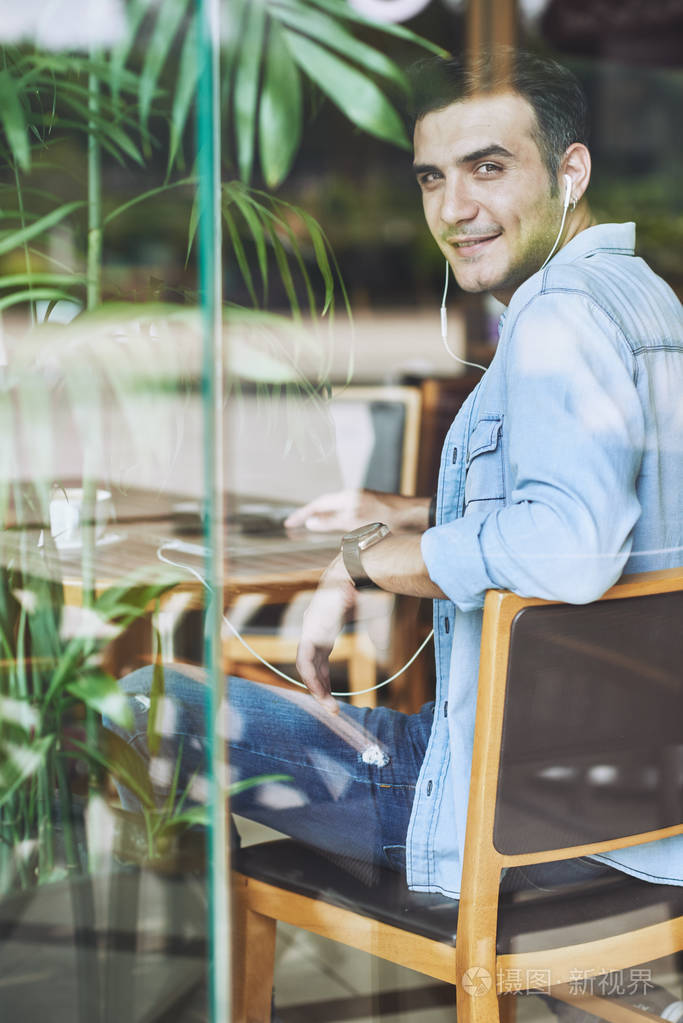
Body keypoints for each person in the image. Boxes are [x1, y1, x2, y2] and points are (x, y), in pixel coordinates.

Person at [114, 49, 683, 1022]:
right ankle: (609, 975)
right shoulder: (647, 304)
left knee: (139, 698)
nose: (453, 206)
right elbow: (630, 516)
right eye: (432, 176)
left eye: (487, 168)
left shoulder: (556, 324)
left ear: (570, 171)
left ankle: (164, 958)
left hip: (504, 813)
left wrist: (377, 559)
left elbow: (574, 546)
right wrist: (419, 514)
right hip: (633, 802)